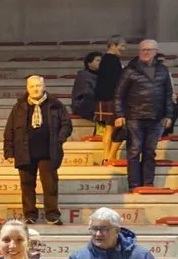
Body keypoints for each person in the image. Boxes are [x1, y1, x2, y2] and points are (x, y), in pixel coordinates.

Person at [4, 75, 73, 225]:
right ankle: (30, 214)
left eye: (38, 86)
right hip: (24, 151)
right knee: (27, 185)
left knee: (50, 184)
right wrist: (8, 151)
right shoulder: (19, 106)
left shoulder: (55, 105)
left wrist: (59, 139)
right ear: (27, 88)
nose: (35, 89)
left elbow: (66, 124)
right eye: (32, 86)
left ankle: (52, 214)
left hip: (48, 151)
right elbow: (9, 130)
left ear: (44, 86)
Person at [114, 39, 174, 189]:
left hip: (156, 118)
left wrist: (169, 115)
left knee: (149, 152)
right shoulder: (129, 70)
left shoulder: (162, 70)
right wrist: (119, 114)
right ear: (139, 51)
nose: (146, 52)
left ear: (156, 51)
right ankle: (134, 185)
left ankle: (148, 184)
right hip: (135, 116)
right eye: (143, 49)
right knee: (134, 151)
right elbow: (118, 94)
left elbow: (168, 94)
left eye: (149, 49)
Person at [95, 36, 127, 165]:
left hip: (105, 98)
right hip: (112, 99)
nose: (124, 49)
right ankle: (109, 157)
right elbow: (117, 82)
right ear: (113, 45)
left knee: (109, 128)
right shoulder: (112, 60)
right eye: (122, 46)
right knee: (113, 128)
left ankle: (106, 157)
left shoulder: (105, 60)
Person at [71, 53, 101, 123]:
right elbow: (87, 93)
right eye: (98, 60)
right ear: (89, 63)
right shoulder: (83, 75)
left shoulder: (101, 74)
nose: (100, 63)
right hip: (82, 103)